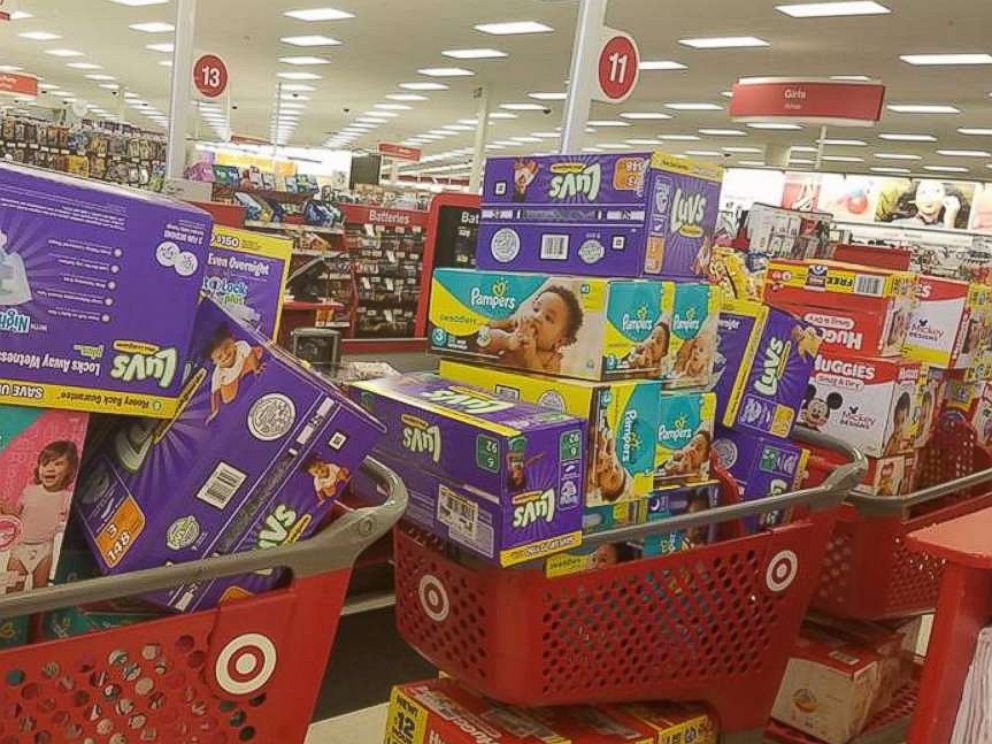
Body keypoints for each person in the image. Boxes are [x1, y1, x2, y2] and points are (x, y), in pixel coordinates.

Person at [2, 441, 79, 593]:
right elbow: (18, 517)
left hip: (45, 549)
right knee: (12, 591)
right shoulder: (29, 491)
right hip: (20, 548)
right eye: (45, 464)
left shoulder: (67, 497)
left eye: (58, 464)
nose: (50, 468)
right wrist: (6, 509)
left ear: (70, 469)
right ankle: (7, 617)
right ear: (38, 468)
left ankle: (37, 617)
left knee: (40, 591)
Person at [479, 285, 583, 374]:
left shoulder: (551, 359)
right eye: (536, 309)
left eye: (548, 318)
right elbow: (485, 333)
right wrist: (508, 338)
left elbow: (543, 382)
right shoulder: (517, 327)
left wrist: (531, 356)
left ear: (560, 341)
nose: (536, 317)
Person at [204, 325, 265, 423]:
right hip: (230, 381)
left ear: (233, 340)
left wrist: (256, 369)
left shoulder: (241, 345)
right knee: (227, 398)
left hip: (244, 365)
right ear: (214, 362)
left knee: (257, 352)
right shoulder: (218, 373)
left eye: (227, 347)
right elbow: (215, 393)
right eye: (219, 357)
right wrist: (214, 411)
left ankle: (249, 371)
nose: (225, 355)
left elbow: (250, 354)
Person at [888, 180, 971, 230]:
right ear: (914, 200)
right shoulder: (898, 224)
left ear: (946, 198)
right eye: (923, 192)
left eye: (936, 192)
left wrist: (949, 219)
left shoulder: (947, 227)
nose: (929, 198)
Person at [884, 392, 913, 457]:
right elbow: (884, 456)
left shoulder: (908, 440)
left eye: (903, 421)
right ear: (894, 420)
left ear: (908, 419)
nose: (899, 427)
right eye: (897, 422)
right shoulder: (892, 438)